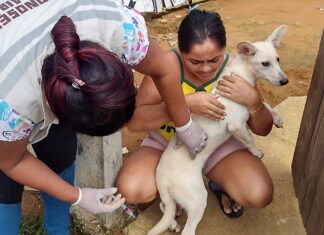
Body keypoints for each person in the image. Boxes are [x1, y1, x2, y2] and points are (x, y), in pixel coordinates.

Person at [0, 1, 208, 234]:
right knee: (4, 189)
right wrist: (79, 196)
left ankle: (58, 229)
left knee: (60, 154)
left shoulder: (116, 25)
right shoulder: (10, 104)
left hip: (38, 52)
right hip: (8, 72)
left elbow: (165, 67)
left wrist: (185, 124)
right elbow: (12, 161)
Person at [117, 9, 274, 219]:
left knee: (258, 193)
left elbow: (263, 129)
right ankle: (177, 191)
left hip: (217, 146)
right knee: (132, 189)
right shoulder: (165, 66)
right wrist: (183, 105)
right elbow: (135, 122)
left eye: (214, 59)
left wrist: (254, 101)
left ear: (225, 50)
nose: (206, 69)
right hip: (168, 144)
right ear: (181, 52)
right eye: (195, 62)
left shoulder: (236, 69)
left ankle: (218, 182)